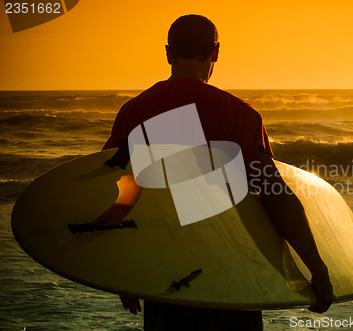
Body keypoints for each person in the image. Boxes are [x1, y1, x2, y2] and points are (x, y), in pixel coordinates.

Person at [98, 14, 334, 330]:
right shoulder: (238, 113)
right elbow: (275, 197)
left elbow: (117, 195)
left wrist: (123, 273)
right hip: (232, 272)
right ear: (216, 52)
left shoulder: (133, 111)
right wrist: (316, 268)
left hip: (164, 275)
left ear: (168, 52)